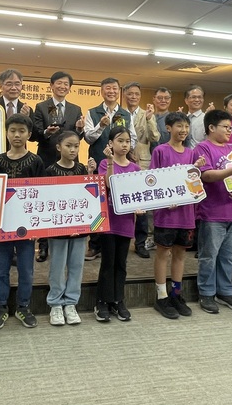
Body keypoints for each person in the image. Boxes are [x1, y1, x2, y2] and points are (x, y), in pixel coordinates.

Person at [0, 114, 45, 330]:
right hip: (3, 224)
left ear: (29, 134)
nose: (17, 135)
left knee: (26, 269)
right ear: (6, 133)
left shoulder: (36, 161)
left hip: (26, 225)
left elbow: (41, 193)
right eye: (12, 130)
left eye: (22, 131)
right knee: (1, 269)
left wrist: (38, 226)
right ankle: (0, 307)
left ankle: (23, 306)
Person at [191, 110, 232, 314]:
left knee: (229, 257)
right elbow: (206, 175)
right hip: (212, 212)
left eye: (231, 127)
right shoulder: (202, 148)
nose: (229, 131)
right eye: (225, 127)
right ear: (211, 127)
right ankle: (206, 293)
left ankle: (225, 291)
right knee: (209, 256)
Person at [151, 112, 203, 319]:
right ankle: (161, 296)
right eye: (179, 126)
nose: (183, 130)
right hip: (166, 213)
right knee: (163, 253)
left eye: (186, 126)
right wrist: (165, 200)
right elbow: (152, 180)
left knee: (180, 254)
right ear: (168, 128)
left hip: (186, 213)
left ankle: (176, 294)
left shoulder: (191, 154)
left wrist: (197, 170)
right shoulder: (160, 151)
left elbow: (194, 184)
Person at [45, 131, 96, 326]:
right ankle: (56, 304)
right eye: (68, 145)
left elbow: (88, 196)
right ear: (59, 147)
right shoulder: (50, 171)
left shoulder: (82, 169)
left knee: (76, 265)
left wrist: (90, 175)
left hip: (79, 227)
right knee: (57, 267)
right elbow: (47, 200)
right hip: (58, 228)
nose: (73, 149)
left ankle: (71, 303)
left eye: (76, 146)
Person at [0, 69, 33, 269]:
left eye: (17, 83)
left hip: (21, 161)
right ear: (1, 86)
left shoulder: (27, 108)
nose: (14, 87)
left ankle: (16, 248)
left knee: (19, 203)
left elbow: (35, 134)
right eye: (9, 83)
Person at [33, 71, 85, 262]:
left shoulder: (75, 108)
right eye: (59, 83)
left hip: (70, 162)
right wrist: (47, 132)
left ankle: (68, 233)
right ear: (51, 85)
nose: (62, 87)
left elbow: (78, 138)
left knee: (68, 199)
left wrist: (79, 129)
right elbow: (35, 134)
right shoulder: (41, 106)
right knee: (47, 201)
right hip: (47, 158)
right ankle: (43, 245)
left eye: (66, 84)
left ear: (70, 88)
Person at [84, 77, 136, 260]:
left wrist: (124, 149)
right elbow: (88, 137)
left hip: (121, 165)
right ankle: (94, 245)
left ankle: (115, 239)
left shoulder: (125, 114)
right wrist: (101, 126)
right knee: (97, 204)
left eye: (114, 88)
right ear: (102, 91)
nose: (111, 91)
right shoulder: (92, 112)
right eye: (108, 88)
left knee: (117, 201)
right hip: (100, 162)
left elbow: (133, 137)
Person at [94, 126, 140, 322]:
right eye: (120, 141)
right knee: (108, 263)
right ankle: (102, 301)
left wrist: (140, 207)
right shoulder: (105, 163)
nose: (124, 145)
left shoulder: (135, 168)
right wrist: (111, 161)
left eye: (127, 141)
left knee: (121, 263)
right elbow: (108, 184)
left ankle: (118, 300)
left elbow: (139, 194)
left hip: (126, 222)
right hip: (109, 222)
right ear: (111, 144)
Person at [123, 82, 159, 259]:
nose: (133, 97)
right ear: (124, 94)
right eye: (130, 94)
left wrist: (150, 119)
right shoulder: (120, 113)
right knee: (123, 201)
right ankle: (122, 239)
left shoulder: (147, 114)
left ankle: (141, 243)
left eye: (137, 94)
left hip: (142, 162)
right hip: (122, 161)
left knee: (142, 204)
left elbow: (155, 137)